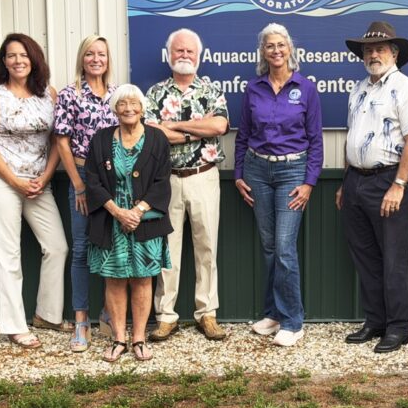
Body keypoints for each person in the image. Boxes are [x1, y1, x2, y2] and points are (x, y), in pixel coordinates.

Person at [337, 20, 408, 354]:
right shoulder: (359, 89)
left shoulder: (407, 89)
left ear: (394, 53)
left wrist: (399, 185)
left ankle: (399, 328)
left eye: (379, 49)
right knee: (366, 258)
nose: (373, 54)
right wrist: (345, 182)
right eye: (368, 50)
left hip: (389, 180)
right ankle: (375, 321)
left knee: (394, 259)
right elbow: (353, 137)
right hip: (356, 182)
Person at [0, 33, 69, 349]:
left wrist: (44, 177)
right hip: (2, 180)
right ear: (4, 61)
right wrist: (14, 181)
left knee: (57, 246)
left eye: (23, 55)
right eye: (11, 55)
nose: (18, 61)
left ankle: (48, 314)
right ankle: (14, 325)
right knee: (9, 253)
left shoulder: (48, 95)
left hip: (38, 182)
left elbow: (58, 141)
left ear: (34, 59)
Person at [234, 23, 323, 347]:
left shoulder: (306, 88)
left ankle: (293, 321)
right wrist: (239, 173)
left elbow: (316, 140)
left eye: (280, 45)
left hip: (291, 172)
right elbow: (243, 135)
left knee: (285, 247)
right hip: (257, 172)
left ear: (290, 49)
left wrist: (310, 182)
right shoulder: (253, 88)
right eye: (269, 46)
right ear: (263, 52)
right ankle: (273, 313)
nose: (276, 50)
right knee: (270, 247)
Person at [145, 28, 230, 342]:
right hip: (167, 181)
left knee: (207, 246)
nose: (183, 56)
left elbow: (219, 125)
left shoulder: (211, 90)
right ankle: (166, 316)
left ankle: (207, 313)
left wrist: (177, 126)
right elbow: (152, 134)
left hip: (204, 175)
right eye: (178, 51)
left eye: (189, 52)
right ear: (169, 54)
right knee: (168, 250)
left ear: (199, 56)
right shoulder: (154, 93)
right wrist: (198, 129)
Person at [86, 84, 172, 362]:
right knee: (114, 279)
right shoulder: (100, 140)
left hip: (145, 220)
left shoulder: (157, 139)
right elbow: (93, 181)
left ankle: (139, 338)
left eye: (134, 103)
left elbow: (162, 182)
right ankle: (118, 339)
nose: (128, 108)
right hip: (111, 220)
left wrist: (137, 211)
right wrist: (118, 212)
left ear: (143, 107)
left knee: (143, 279)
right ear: (114, 109)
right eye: (122, 103)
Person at [53, 35, 118, 353]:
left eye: (101, 54)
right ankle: (81, 320)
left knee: (110, 247)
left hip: (115, 182)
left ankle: (109, 312)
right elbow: (61, 141)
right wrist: (78, 185)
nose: (96, 59)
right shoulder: (70, 95)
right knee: (81, 249)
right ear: (82, 58)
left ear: (108, 59)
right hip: (82, 178)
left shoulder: (119, 95)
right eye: (90, 54)